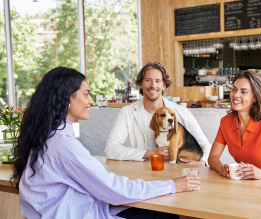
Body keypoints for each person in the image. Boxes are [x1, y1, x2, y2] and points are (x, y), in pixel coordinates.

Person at [11, 67, 200, 219]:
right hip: (77, 212)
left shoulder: (49, 135)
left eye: (158, 81)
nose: (91, 100)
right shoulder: (63, 145)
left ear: (164, 85)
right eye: (86, 94)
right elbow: (114, 187)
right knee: (167, 213)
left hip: (70, 208)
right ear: (66, 97)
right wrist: (172, 185)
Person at [105, 62, 211, 166]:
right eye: (148, 80)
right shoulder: (126, 113)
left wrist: (202, 162)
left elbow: (206, 146)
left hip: (177, 175)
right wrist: (148, 154)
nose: (153, 85)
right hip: (143, 176)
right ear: (140, 84)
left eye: (157, 81)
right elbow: (110, 149)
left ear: (164, 85)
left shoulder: (182, 112)